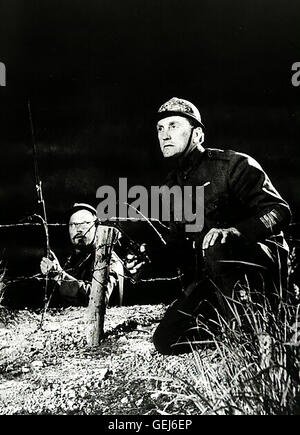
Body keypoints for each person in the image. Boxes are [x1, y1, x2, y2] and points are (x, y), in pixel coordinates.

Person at [128, 97, 292, 354]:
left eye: (173, 125)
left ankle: (255, 332)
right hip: (216, 277)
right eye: (160, 129)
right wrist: (149, 258)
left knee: (217, 244)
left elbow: (280, 211)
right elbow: (178, 244)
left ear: (198, 134)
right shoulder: (171, 187)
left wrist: (236, 231)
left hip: (261, 268)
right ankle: (229, 331)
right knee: (166, 340)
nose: (164, 135)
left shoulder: (232, 166)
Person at [40, 203, 124, 307]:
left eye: (84, 223)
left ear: (96, 227)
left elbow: (98, 299)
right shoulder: (70, 260)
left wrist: (59, 275)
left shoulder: (108, 260)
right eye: (73, 224)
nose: (78, 229)